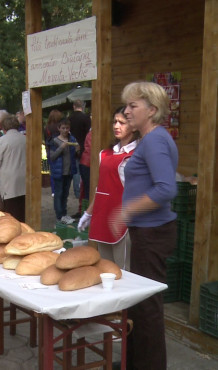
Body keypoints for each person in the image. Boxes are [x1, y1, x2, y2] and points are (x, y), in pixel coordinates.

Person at [110, 82, 178, 370]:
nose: (127, 111)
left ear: (152, 110)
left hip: (152, 234)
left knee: (147, 307)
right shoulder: (153, 139)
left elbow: (166, 188)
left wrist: (126, 211)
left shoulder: (154, 140)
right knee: (138, 303)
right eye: (126, 105)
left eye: (133, 106)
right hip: (146, 232)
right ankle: (132, 362)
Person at [77, 107, 139, 270]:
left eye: (122, 122)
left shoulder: (138, 154)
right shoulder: (104, 154)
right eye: (115, 122)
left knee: (124, 272)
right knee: (105, 270)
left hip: (123, 221)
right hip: (102, 218)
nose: (116, 126)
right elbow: (101, 188)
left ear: (133, 126)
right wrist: (88, 213)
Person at [0, 115, 26, 222]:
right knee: (23, 214)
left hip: (9, 185)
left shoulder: (1, 141)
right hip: (25, 183)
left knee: (12, 216)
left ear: (3, 128)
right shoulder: (26, 139)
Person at [48, 118, 78, 224]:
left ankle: (64, 214)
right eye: (63, 128)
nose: (65, 130)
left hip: (69, 171)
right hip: (58, 172)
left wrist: (77, 150)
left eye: (67, 128)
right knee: (58, 194)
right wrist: (61, 147)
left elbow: (75, 156)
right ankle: (59, 216)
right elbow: (52, 157)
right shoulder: (54, 141)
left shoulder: (72, 139)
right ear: (59, 128)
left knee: (65, 194)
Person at [69, 99, 91, 209]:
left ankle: (77, 193)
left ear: (74, 106)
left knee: (75, 172)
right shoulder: (86, 118)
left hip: (71, 147)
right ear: (82, 106)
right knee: (81, 175)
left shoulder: (70, 118)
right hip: (84, 148)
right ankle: (79, 194)